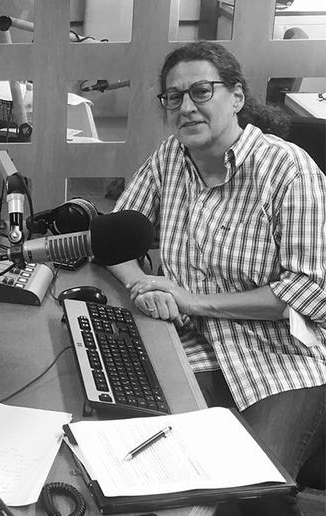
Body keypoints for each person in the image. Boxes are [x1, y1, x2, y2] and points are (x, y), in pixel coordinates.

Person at [108, 41, 325, 515]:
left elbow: (306, 292)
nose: (186, 107)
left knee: (251, 493)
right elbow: (114, 238)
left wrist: (189, 300)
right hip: (191, 347)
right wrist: (143, 286)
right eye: (174, 97)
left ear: (237, 97)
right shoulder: (170, 157)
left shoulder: (289, 170)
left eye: (201, 91)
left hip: (281, 359)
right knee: (141, 461)